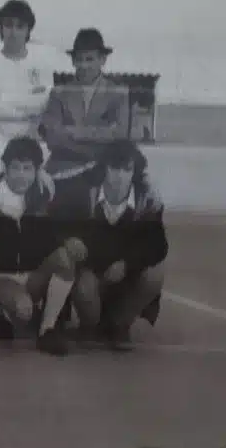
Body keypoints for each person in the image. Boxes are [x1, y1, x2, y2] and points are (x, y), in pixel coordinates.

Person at [0, 136, 85, 356]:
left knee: (64, 257)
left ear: (36, 171)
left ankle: (47, 329)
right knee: (23, 310)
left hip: (31, 275)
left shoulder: (42, 195)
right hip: (0, 276)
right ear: (5, 167)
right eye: (15, 168)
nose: (21, 175)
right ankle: (3, 313)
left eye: (27, 168)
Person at [59, 139, 168, 351]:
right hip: (92, 270)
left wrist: (127, 264)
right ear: (104, 168)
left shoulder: (147, 198)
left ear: (134, 172)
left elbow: (158, 245)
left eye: (127, 170)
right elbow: (58, 208)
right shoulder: (84, 192)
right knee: (84, 286)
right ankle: (90, 326)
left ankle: (119, 325)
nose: (119, 176)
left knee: (155, 273)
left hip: (127, 273)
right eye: (114, 168)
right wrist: (70, 240)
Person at [0, 0, 65, 169]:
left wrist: (2, 97)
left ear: (28, 30)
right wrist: (27, 103)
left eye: (20, 26)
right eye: (8, 25)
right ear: (1, 28)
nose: (13, 32)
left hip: (31, 137)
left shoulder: (41, 63)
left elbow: (44, 104)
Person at [41, 28, 131, 181]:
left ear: (102, 60)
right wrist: (100, 136)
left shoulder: (118, 94)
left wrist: (73, 131)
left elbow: (119, 135)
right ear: (73, 61)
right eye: (79, 59)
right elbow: (52, 138)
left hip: (102, 170)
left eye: (89, 59)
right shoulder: (58, 93)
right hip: (62, 169)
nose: (83, 65)